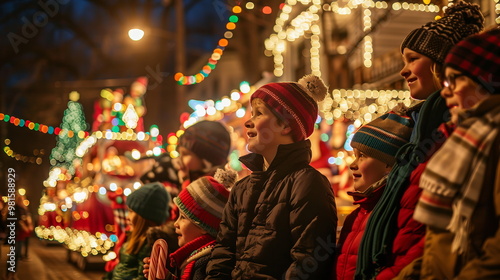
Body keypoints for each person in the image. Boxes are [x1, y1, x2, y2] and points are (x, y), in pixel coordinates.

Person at [355, 2, 484, 279]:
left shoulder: (453, 131)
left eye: (413, 59)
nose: (403, 71)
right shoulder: (419, 127)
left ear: (443, 64)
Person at [206, 74, 338, 279]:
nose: (248, 122)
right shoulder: (242, 188)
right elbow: (223, 253)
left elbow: (309, 263)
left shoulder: (308, 184)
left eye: (259, 113)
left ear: (286, 125)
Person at [400, 27, 500, 279]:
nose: (446, 91)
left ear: (486, 82)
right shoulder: (466, 140)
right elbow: (442, 246)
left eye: (455, 80)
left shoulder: (491, 141)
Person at [334, 110, 414, 280]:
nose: (353, 165)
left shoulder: (398, 213)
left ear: (388, 164)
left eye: (362, 156)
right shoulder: (355, 216)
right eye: (355, 156)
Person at [142, 168, 237, 280]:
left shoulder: (208, 260)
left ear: (203, 225)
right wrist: (166, 276)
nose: (175, 224)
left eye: (183, 217)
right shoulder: (194, 255)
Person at [104, 182, 171, 280]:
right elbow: (120, 268)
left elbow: (141, 277)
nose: (127, 217)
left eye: (131, 212)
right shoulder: (132, 236)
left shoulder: (149, 244)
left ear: (144, 217)